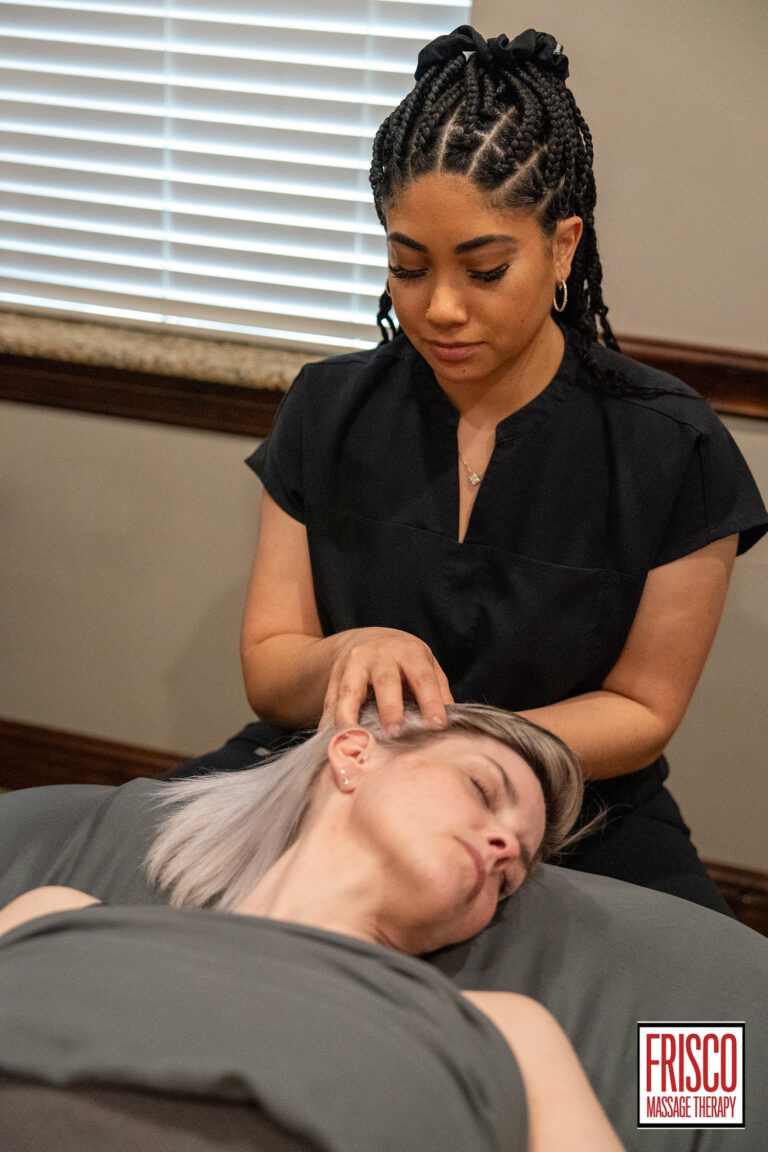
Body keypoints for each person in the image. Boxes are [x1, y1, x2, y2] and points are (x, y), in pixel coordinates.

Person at [168, 26, 768, 913]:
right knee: (113, 917)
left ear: (563, 248)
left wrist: (464, 752)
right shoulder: (327, 410)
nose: (440, 308)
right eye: (408, 267)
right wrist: (351, 650)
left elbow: (641, 713)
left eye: (485, 270)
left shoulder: (667, 444)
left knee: (708, 1043)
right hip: (335, 776)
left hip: (572, 808)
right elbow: (271, 668)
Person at [0, 705, 625, 1152]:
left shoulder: (511, 1031)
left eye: (510, 873)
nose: (500, 847)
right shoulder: (53, 914)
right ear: (354, 755)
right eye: (482, 789)